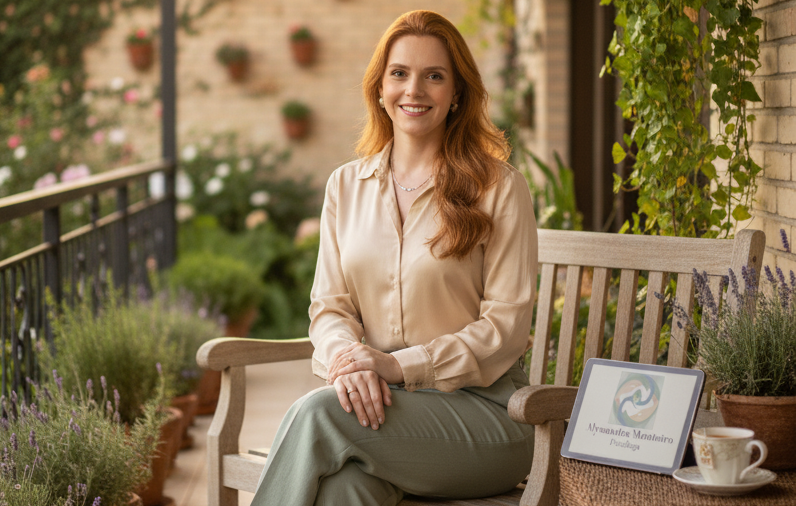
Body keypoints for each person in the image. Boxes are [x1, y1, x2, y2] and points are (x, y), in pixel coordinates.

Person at [250, 10, 538, 506]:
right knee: (345, 490)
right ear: (380, 89)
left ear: (457, 94)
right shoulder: (345, 186)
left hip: (489, 418)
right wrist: (349, 362)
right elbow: (330, 308)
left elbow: (505, 328)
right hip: (385, 412)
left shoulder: (499, 189)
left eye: (434, 76)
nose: (414, 90)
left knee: (319, 415)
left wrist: (396, 365)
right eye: (400, 74)